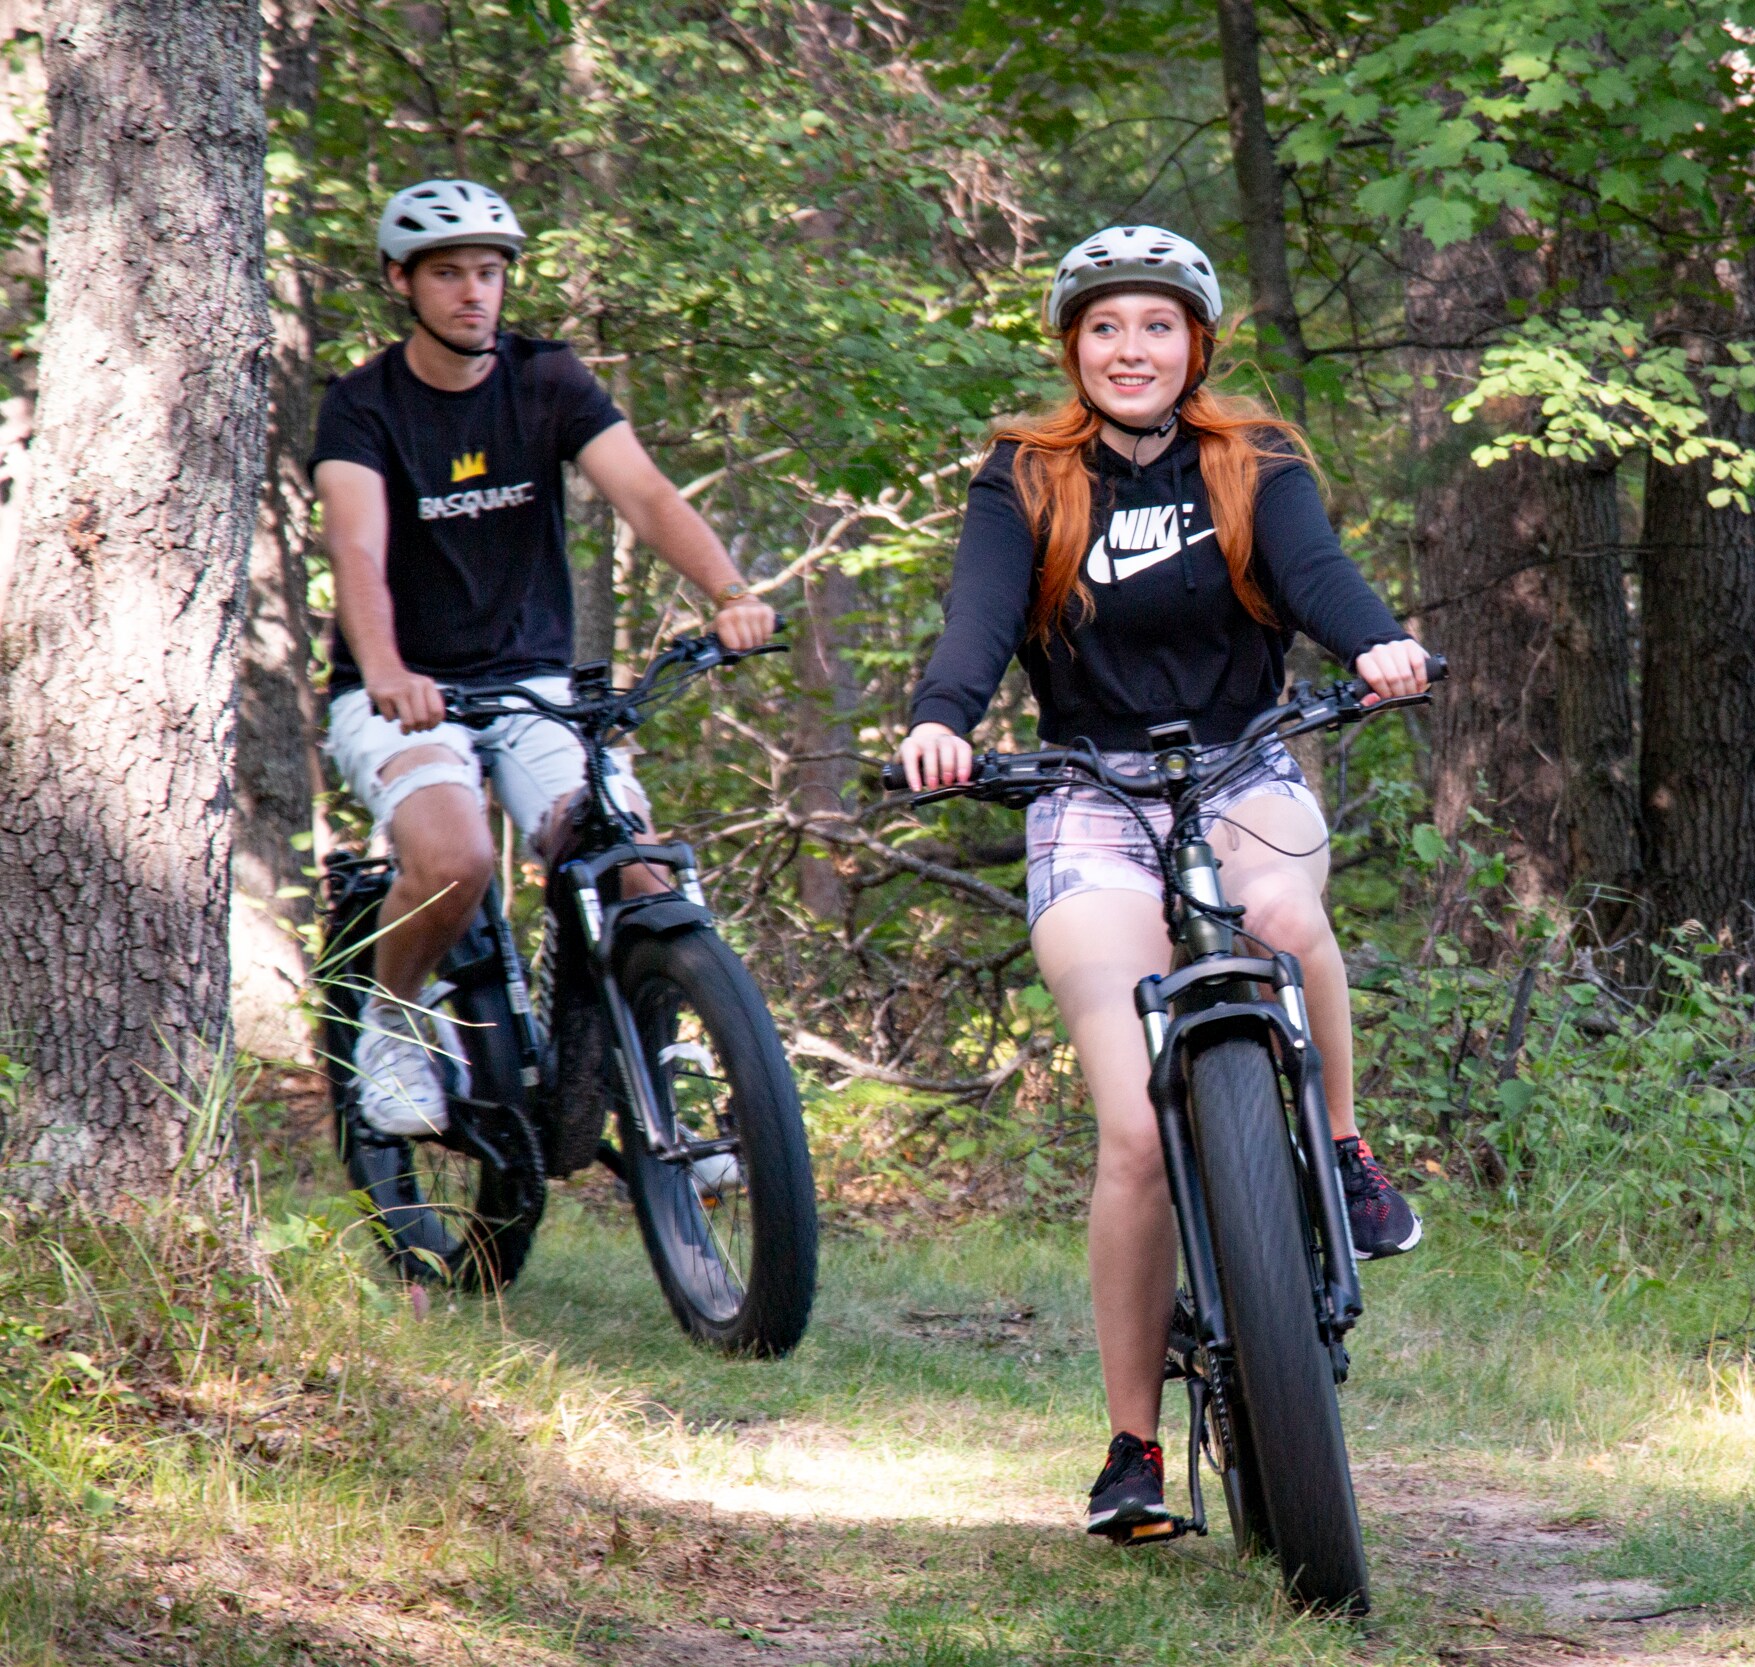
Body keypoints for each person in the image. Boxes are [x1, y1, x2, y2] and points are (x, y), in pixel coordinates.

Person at [895, 224, 1431, 1539]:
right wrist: (942, 715)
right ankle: (1132, 1444)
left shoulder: (1255, 458)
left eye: (1156, 326)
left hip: (1243, 768)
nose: (1130, 349)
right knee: (1136, 1127)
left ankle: (1345, 1151)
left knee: (1289, 917)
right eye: (1103, 328)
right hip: (1089, 795)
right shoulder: (1026, 475)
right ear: (1073, 348)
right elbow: (978, 613)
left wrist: (1378, 642)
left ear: (1197, 342)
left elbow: (1316, 578)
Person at [313, 179, 776, 1138]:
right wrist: (391, 666)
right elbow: (354, 547)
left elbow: (645, 496)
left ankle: (671, 1088)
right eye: (448, 275)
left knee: (635, 861)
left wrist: (730, 592)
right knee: (455, 858)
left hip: (530, 684)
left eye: (488, 272)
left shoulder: (548, 380)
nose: (473, 293)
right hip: (396, 691)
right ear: (402, 280)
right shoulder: (363, 406)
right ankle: (391, 1026)